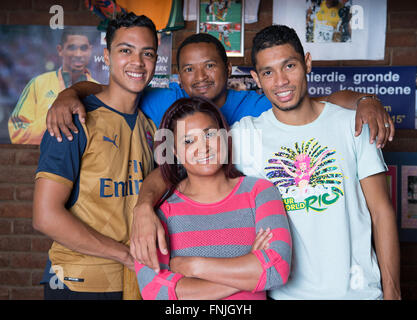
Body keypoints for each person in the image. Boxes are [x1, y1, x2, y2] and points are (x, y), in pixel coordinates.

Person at [44, 32, 395, 269]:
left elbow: (317, 103)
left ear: (229, 69)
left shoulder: (256, 107)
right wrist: (68, 95)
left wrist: (366, 100)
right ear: (177, 78)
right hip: (186, 231)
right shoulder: (166, 102)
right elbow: (108, 90)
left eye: (210, 65)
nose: (200, 77)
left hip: (248, 232)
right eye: (189, 69)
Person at [229, 25, 400, 299]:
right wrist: (143, 205)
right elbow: (182, 166)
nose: (281, 81)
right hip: (286, 295)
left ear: (307, 63)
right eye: (268, 72)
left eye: (289, 66)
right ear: (256, 79)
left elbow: (382, 212)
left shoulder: (352, 124)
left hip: (359, 294)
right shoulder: (245, 135)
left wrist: (393, 293)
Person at [32, 12, 157, 300]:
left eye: (147, 53)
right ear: (106, 56)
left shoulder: (148, 124)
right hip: (78, 282)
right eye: (125, 50)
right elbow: (45, 216)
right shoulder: (72, 118)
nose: (137, 62)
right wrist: (126, 255)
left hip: (135, 280)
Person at [136, 96, 291, 300]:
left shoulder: (260, 192)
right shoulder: (162, 213)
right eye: (188, 141)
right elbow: (155, 292)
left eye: (209, 135)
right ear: (174, 152)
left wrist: (193, 266)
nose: (204, 147)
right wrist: (248, 273)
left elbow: (277, 270)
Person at [8, 28, 98, 144]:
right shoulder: (38, 84)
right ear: (60, 50)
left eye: (83, 48)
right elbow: (17, 132)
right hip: (47, 158)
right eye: (72, 48)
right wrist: (52, 119)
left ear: (90, 51)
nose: (79, 54)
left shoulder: (99, 90)